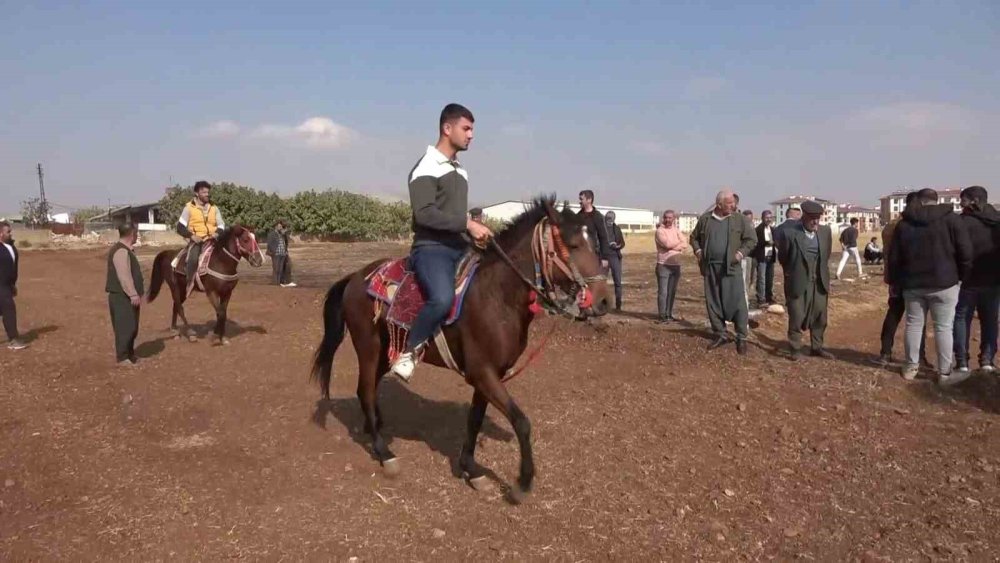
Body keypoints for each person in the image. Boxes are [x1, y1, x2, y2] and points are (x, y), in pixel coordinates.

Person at [390, 103, 492, 382]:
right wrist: (467, 224)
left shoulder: (460, 171)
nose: (471, 135)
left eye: (472, 129)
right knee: (443, 298)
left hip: (459, 247)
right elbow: (424, 215)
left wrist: (477, 233)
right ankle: (410, 351)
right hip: (431, 249)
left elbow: (453, 215)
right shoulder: (426, 166)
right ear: (447, 129)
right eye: (466, 128)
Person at [889, 188, 972, 385]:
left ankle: (911, 367)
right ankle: (944, 373)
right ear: (936, 200)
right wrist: (962, 277)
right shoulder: (952, 220)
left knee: (913, 325)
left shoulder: (904, 223)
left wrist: (895, 282)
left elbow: (894, 258)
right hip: (945, 283)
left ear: (919, 201)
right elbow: (966, 253)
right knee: (943, 327)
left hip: (913, 285)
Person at [689, 189, 757, 355]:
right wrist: (698, 252)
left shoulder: (739, 219)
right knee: (713, 301)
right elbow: (693, 237)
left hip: (731, 268)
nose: (733, 205)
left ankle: (741, 337)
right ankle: (720, 333)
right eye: (729, 203)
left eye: (733, 202)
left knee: (738, 302)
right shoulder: (706, 219)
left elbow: (751, 240)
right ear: (719, 205)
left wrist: (740, 254)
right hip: (710, 267)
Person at [875, 191, 927, 368]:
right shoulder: (915, 225)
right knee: (917, 319)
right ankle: (919, 356)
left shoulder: (890, 225)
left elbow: (887, 255)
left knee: (894, 314)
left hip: (896, 278)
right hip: (913, 278)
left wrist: (889, 279)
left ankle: (885, 352)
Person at [777, 201, 834, 360]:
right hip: (798, 281)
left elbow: (826, 255)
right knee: (796, 315)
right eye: (812, 218)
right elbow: (783, 257)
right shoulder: (789, 233)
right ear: (804, 217)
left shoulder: (825, 232)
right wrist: (794, 273)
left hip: (819, 281)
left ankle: (817, 347)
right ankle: (795, 349)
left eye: (818, 218)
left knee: (820, 316)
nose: (816, 222)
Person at [952, 186, 1000, 374]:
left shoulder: (961, 222)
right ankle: (987, 361)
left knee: (962, 319)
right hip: (993, 281)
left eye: (962, 199)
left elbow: (954, 251)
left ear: (974, 200)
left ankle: (962, 362)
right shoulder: (997, 221)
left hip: (967, 281)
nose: (960, 203)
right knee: (990, 320)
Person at [107, 224, 143, 366]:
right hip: (122, 296)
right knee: (125, 326)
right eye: (136, 233)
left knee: (132, 326)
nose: (137, 236)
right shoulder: (121, 251)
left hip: (126, 296)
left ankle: (129, 354)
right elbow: (124, 276)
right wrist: (133, 294)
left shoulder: (127, 250)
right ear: (132, 234)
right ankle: (122, 357)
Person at [176, 180, 226, 284]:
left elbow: (221, 225)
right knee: (193, 259)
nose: (207, 194)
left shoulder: (214, 207)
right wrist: (192, 236)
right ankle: (189, 282)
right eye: (204, 192)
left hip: (213, 239)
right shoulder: (189, 207)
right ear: (196, 193)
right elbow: (180, 227)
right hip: (197, 241)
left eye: (208, 192)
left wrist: (217, 233)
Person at [655, 210, 687, 322]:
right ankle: (662, 315)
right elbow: (667, 244)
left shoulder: (677, 230)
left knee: (672, 291)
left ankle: (669, 314)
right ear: (663, 218)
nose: (668, 220)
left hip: (676, 265)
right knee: (663, 292)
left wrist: (673, 246)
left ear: (674, 219)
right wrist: (678, 245)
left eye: (670, 218)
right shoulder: (660, 231)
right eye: (666, 217)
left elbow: (685, 242)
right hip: (663, 265)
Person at [0, 221, 27, 350]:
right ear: (0, 234)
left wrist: (12, 285)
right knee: (9, 309)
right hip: (1, 286)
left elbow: (13, 268)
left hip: (7, 285)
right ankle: (13, 339)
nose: (10, 233)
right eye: (8, 232)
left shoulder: (11, 246)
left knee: (5, 310)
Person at [577, 190, 611, 273]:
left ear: (589, 200)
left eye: (582, 199)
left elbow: (603, 237)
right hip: (580, 256)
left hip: (593, 256)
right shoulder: (578, 216)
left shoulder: (597, 217)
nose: (580, 202)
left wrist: (604, 258)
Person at [752, 210, 777, 307]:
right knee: (761, 278)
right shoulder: (758, 230)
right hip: (762, 257)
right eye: (767, 217)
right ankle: (761, 298)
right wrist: (767, 243)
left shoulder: (772, 229)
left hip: (771, 257)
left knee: (769, 278)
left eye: (770, 217)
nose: (769, 219)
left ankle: (769, 297)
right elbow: (756, 244)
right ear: (762, 218)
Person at [605, 211, 625, 311]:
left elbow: (622, 243)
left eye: (611, 218)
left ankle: (618, 305)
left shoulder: (616, 229)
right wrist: (607, 244)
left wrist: (617, 246)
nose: (609, 220)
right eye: (608, 218)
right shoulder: (601, 229)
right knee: (601, 281)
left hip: (615, 257)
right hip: (603, 257)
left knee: (617, 282)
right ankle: (602, 303)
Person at [266, 220, 296, 288]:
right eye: (279, 226)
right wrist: (274, 251)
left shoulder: (282, 234)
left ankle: (280, 282)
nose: (280, 227)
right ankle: (275, 283)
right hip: (276, 254)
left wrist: (285, 251)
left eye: (281, 226)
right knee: (276, 268)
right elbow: (269, 244)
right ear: (276, 226)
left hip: (283, 254)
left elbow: (285, 243)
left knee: (281, 268)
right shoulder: (272, 234)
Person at [741, 210, 756, 307]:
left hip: (752, 256)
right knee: (744, 279)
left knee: (751, 276)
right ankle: (744, 300)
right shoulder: (741, 227)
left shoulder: (752, 228)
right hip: (743, 256)